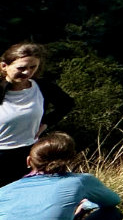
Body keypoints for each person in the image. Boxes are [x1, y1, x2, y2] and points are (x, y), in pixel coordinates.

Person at [0, 43, 75, 189]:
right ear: (4, 66)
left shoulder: (42, 87)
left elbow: (66, 104)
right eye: (21, 68)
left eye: (32, 67)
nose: (27, 72)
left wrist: (46, 123)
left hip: (29, 153)